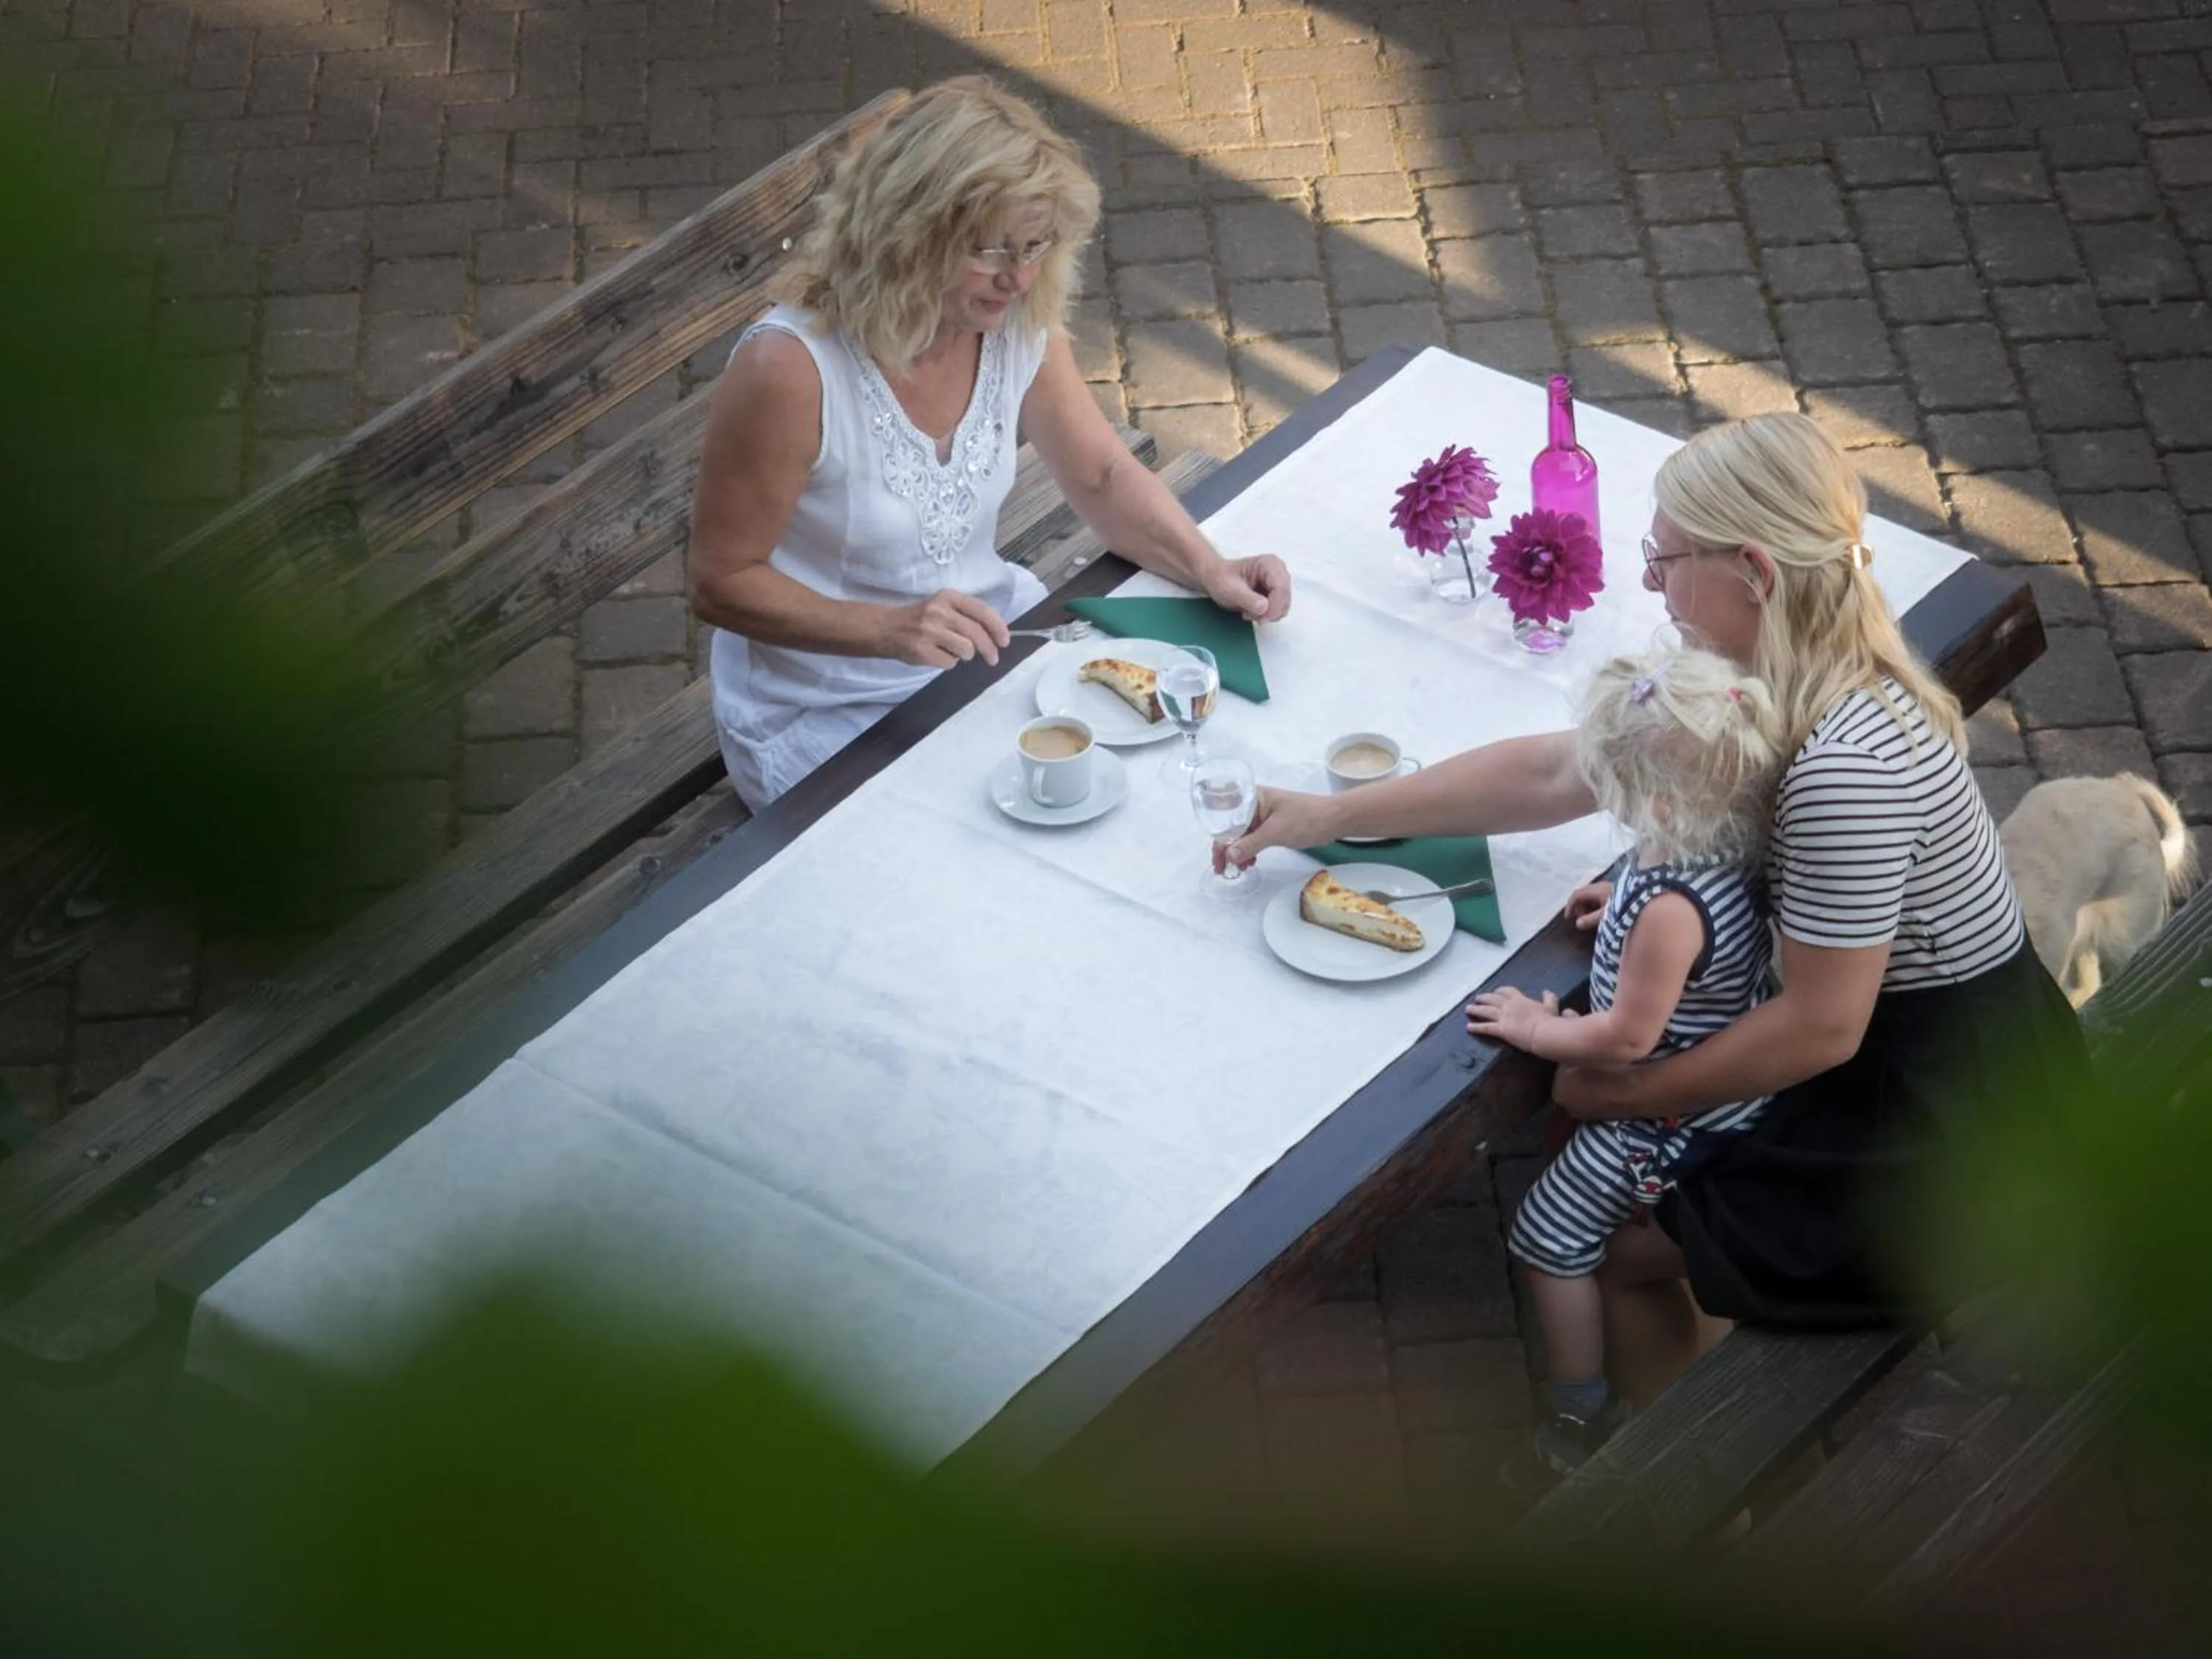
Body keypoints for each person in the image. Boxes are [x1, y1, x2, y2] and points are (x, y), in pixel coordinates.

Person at [1222, 412, 2090, 1402]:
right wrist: (1333, 815)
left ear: (1754, 571)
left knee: (1615, 1241)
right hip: (1901, 1048)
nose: (1648, 584)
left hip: (1946, 1112)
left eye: (1665, 560)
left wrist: (1631, 1092)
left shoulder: (1847, 767)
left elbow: (1822, 1027)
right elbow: (1560, 770)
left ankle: (1674, 1463)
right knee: (1611, 1160)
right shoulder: (1777, 665)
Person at [688, 77, 1290, 810]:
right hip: (825, 710)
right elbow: (720, 581)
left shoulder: (1011, 318)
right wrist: (885, 629)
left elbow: (1100, 474)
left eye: (1036, 246)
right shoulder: (791, 368)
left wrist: (1209, 568)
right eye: (990, 249)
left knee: (1149, 783)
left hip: (983, 657)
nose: (1021, 276)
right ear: (908, 233)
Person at [1468, 648, 1784, 1473]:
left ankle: (1581, 1409)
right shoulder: (1721, 841)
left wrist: (1537, 1030)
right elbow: (1698, 933)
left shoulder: (1669, 909)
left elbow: (1624, 1040)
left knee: (1545, 1235)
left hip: (1667, 1118)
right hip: (1722, 1081)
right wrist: (1626, 910)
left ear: (1659, 801)